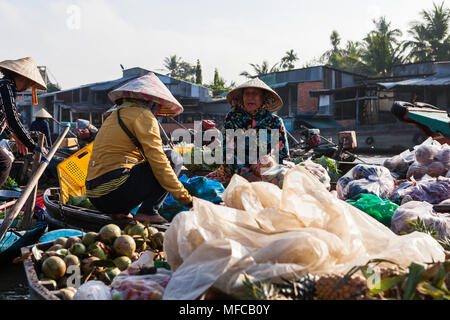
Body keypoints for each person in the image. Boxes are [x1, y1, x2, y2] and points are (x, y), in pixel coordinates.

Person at [85, 73, 193, 224]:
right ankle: (149, 211)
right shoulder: (143, 115)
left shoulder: (114, 115)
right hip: (113, 192)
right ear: (152, 103)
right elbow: (159, 163)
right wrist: (187, 200)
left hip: (94, 195)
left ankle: (119, 212)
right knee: (173, 158)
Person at [206, 78, 289, 184]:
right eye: (247, 94)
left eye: (255, 94)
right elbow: (227, 152)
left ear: (263, 98)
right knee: (202, 188)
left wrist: (264, 173)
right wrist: (247, 175)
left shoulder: (275, 122)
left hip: (267, 177)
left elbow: (282, 156)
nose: (250, 97)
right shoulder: (233, 118)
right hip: (233, 173)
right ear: (242, 97)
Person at [0, 57, 47, 186]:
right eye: (29, 83)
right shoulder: (6, 86)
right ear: (23, 78)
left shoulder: (5, 84)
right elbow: (12, 118)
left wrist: (15, 136)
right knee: (5, 162)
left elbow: (5, 118)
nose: (28, 87)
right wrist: (32, 145)